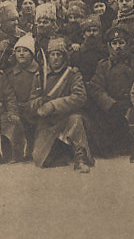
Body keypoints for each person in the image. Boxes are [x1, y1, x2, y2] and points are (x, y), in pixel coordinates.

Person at [27, 37, 93, 173]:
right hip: (48, 122)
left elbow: (80, 97)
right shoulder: (40, 76)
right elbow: (31, 103)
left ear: (64, 56)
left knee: (76, 120)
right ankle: (61, 152)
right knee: (40, 159)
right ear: (48, 56)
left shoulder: (73, 74)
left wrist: (53, 104)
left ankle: (80, 158)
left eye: (59, 54)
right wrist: (41, 102)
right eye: (52, 54)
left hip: (68, 118)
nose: (55, 58)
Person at [87, 26, 134, 158]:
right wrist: (109, 103)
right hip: (112, 107)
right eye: (114, 43)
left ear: (127, 44)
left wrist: (132, 103)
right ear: (109, 46)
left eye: (121, 43)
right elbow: (96, 88)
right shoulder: (103, 65)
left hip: (131, 105)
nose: (118, 47)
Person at [5, 33, 39, 159]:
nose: (21, 53)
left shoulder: (39, 72)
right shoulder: (10, 73)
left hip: (34, 110)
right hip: (17, 111)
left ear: (32, 53)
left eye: (25, 50)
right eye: (18, 51)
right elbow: (8, 94)